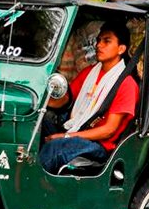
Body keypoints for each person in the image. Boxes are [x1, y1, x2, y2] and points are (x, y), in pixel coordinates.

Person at [38, 22, 139, 174]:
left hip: (99, 145)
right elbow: (66, 100)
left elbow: (108, 130)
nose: (99, 45)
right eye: (98, 40)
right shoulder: (89, 72)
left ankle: (25, 186)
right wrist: (41, 101)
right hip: (74, 128)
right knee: (36, 119)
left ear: (121, 49)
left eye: (107, 41)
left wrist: (66, 136)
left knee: (55, 148)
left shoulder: (127, 84)